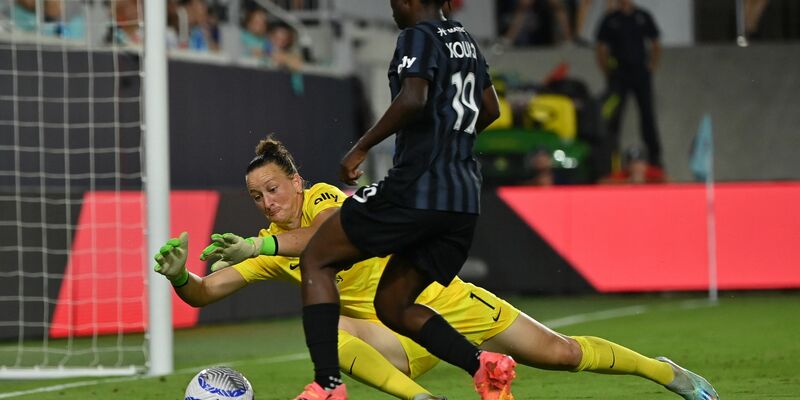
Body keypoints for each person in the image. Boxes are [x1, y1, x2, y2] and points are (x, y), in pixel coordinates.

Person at [154, 136, 720, 400]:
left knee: (562, 355)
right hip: (395, 333)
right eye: (256, 197)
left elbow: (317, 241)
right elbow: (205, 294)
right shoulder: (272, 247)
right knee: (336, 330)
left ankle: (661, 371)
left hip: (444, 306)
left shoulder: (327, 200)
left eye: (273, 189)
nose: (267, 203)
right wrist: (182, 275)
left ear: (297, 182)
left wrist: (259, 249)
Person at [293, 0, 518, 398]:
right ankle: (484, 365)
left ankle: (328, 384)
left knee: (316, 257)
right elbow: (490, 109)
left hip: (417, 188)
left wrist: (360, 148)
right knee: (394, 304)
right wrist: (451, 142)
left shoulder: (418, 36)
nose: (392, 6)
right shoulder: (466, 40)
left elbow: (413, 99)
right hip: (463, 199)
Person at [595, 0, 663, 178]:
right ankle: (611, 163)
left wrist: (651, 68)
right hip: (619, 75)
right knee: (613, 120)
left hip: (640, 73)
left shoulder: (643, 16)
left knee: (648, 117)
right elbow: (601, 47)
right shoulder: (611, 19)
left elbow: (655, 43)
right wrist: (608, 73)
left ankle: (656, 162)